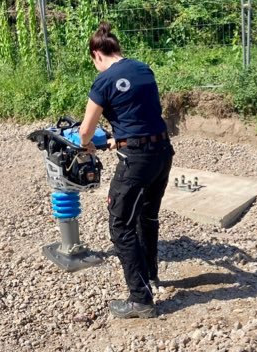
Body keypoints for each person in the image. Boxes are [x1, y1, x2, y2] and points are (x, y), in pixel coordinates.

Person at [79, 22, 174, 319]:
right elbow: (139, 115)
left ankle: (140, 298)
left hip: (136, 159)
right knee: (148, 215)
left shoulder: (104, 81)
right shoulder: (144, 69)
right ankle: (152, 275)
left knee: (120, 224)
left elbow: (84, 131)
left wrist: (89, 146)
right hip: (162, 152)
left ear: (97, 54)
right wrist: (115, 139)